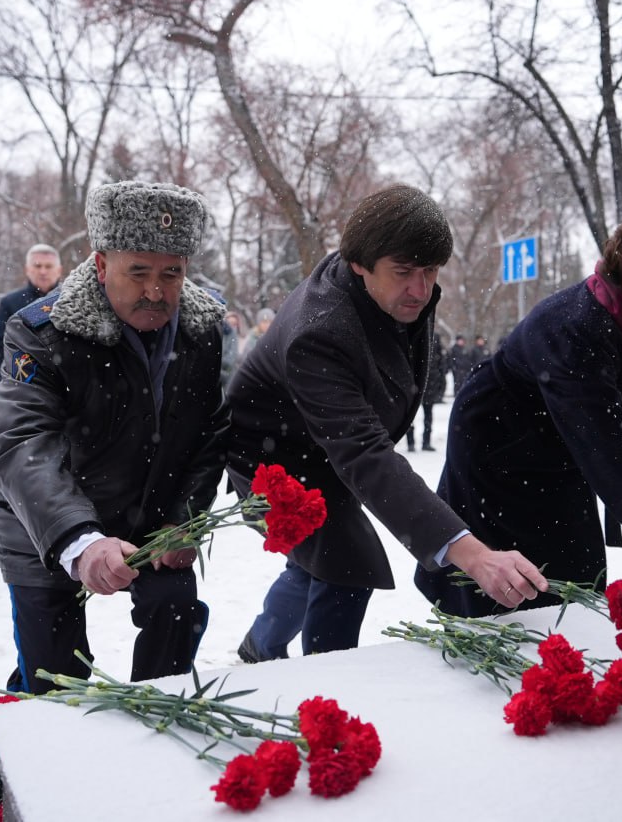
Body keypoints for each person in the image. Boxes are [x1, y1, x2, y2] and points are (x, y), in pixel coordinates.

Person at [226, 183, 547, 663]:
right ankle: (327, 684)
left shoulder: (392, 290)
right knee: (348, 565)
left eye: (431, 271)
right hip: (271, 462)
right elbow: (363, 452)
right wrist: (472, 554)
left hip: (323, 449)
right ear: (358, 263)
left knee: (317, 561)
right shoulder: (320, 331)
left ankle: (262, 645)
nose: (421, 289)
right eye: (404, 273)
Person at [417, 209, 622, 618]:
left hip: (561, 449)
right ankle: (503, 658)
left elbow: (599, 419)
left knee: (576, 574)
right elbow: (596, 423)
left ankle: (564, 648)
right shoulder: (575, 324)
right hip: (498, 451)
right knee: (513, 587)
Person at [0, 180, 228, 692]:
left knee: (176, 616)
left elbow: (208, 433)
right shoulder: (41, 331)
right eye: (137, 272)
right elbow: (20, 441)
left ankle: (154, 731)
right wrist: (79, 538)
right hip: (47, 526)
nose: (156, 292)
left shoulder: (202, 329)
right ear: (101, 266)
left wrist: (184, 520)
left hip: (153, 519)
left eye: (172, 274)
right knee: (56, 678)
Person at [0, 243, 63, 447]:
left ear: (59, 270)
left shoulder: (72, 298)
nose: (43, 271)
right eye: (37, 266)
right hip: (24, 384)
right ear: (27, 269)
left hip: (65, 384)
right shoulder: (11, 302)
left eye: (48, 266)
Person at [406, 331, 446, 452]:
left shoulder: (435, 337)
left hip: (430, 381)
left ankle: (426, 442)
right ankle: (411, 443)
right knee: (410, 416)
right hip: (412, 381)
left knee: (428, 415)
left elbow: (441, 362)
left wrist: (440, 381)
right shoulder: (411, 332)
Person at [220, 310, 244, 388]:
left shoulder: (243, 339)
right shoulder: (222, 337)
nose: (232, 326)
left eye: (235, 324)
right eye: (230, 323)